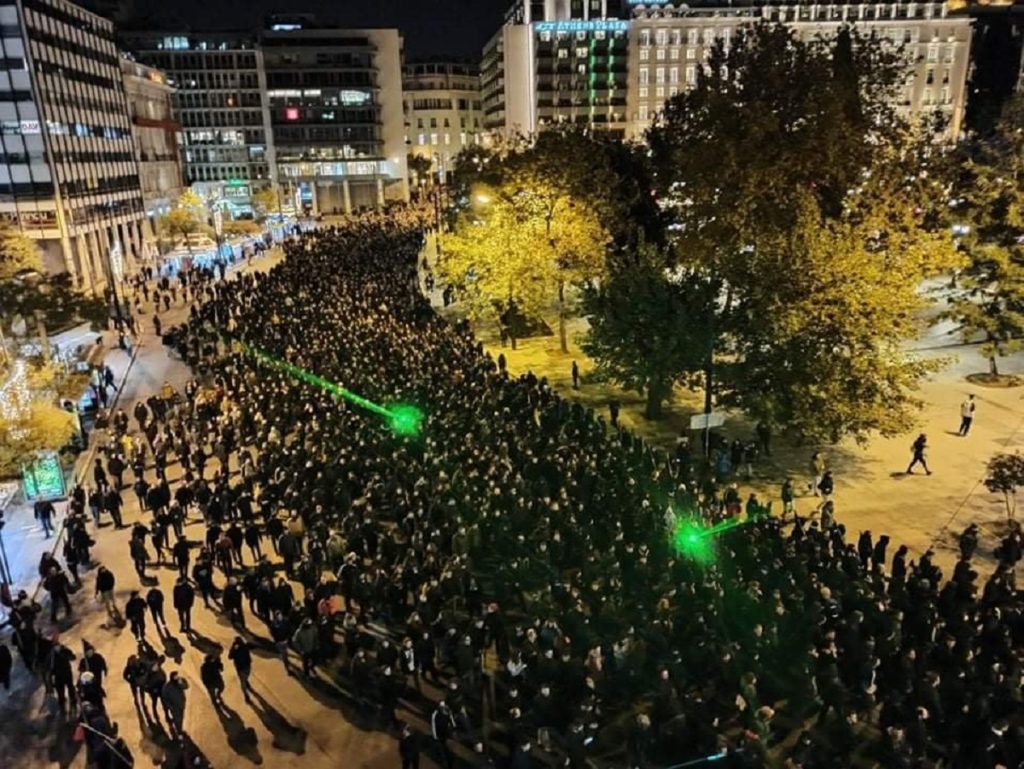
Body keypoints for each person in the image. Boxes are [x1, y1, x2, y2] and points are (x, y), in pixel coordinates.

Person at [228, 636, 253, 703]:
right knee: (244, 681)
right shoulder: (244, 648)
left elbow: (230, 657)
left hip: (242, 668)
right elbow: (230, 657)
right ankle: (246, 695)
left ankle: (246, 688)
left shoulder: (237, 650)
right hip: (244, 667)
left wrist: (232, 647)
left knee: (244, 680)